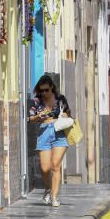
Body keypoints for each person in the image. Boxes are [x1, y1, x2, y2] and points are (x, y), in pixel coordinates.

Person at [28, 75, 71, 207]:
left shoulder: (60, 99)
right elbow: (29, 119)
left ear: (51, 87)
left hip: (59, 131)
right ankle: (47, 188)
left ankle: (54, 197)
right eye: (41, 91)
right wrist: (38, 116)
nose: (44, 93)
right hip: (44, 132)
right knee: (45, 168)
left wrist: (65, 115)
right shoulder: (36, 101)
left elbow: (68, 112)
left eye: (46, 90)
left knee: (55, 165)